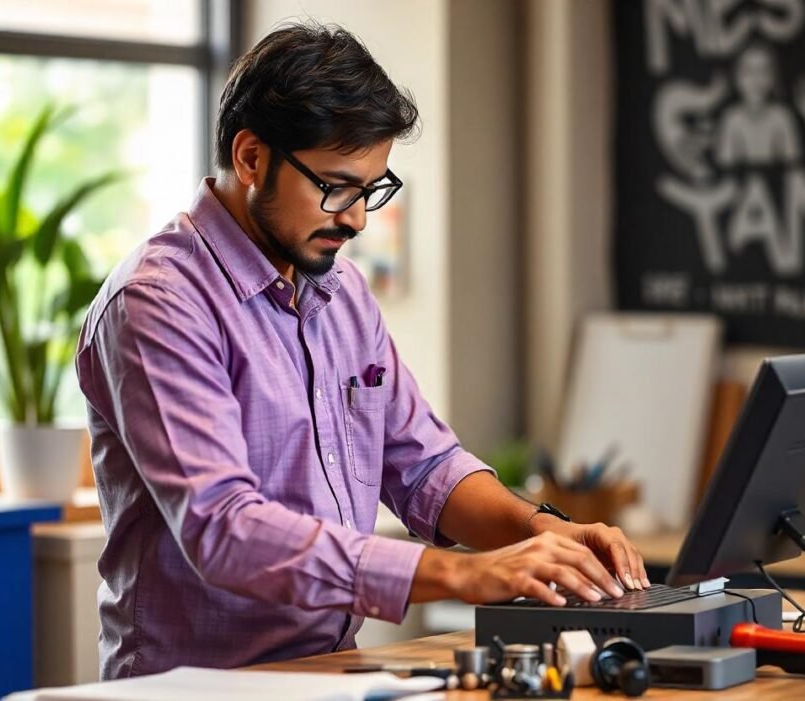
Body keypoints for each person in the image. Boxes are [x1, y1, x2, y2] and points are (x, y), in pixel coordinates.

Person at [75, 22, 649, 680]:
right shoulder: (159, 303)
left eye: (371, 189)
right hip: (197, 688)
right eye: (336, 186)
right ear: (250, 157)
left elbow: (425, 466)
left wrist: (540, 530)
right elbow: (224, 529)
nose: (356, 218)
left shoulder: (340, 290)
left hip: (330, 673)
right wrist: (462, 572)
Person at [716, 43, 800, 167]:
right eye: (748, 71)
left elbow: (793, 165)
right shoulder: (731, 118)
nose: (756, 79)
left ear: (774, 77)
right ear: (736, 77)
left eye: (764, 70)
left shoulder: (783, 116)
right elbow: (725, 166)